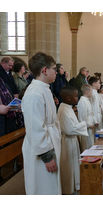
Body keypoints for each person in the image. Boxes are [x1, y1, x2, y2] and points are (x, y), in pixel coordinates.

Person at [21, 52, 62, 195]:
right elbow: (35, 127)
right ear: (44, 70)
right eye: (54, 69)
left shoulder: (44, 88)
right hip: (41, 149)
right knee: (43, 188)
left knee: (50, 187)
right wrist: (47, 156)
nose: (56, 72)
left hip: (49, 141)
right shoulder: (34, 93)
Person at [58, 86, 88, 195]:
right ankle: (68, 190)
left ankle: (74, 187)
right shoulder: (63, 110)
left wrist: (79, 125)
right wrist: (84, 124)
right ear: (68, 98)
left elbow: (74, 126)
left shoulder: (68, 107)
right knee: (68, 168)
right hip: (67, 142)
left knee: (73, 165)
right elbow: (69, 129)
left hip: (72, 141)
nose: (77, 98)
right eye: (75, 96)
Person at [77, 84, 96, 152]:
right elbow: (82, 118)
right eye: (91, 91)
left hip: (90, 128)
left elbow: (90, 114)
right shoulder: (82, 102)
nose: (92, 93)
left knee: (92, 146)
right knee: (88, 148)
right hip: (86, 129)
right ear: (87, 91)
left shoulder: (87, 100)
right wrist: (89, 125)